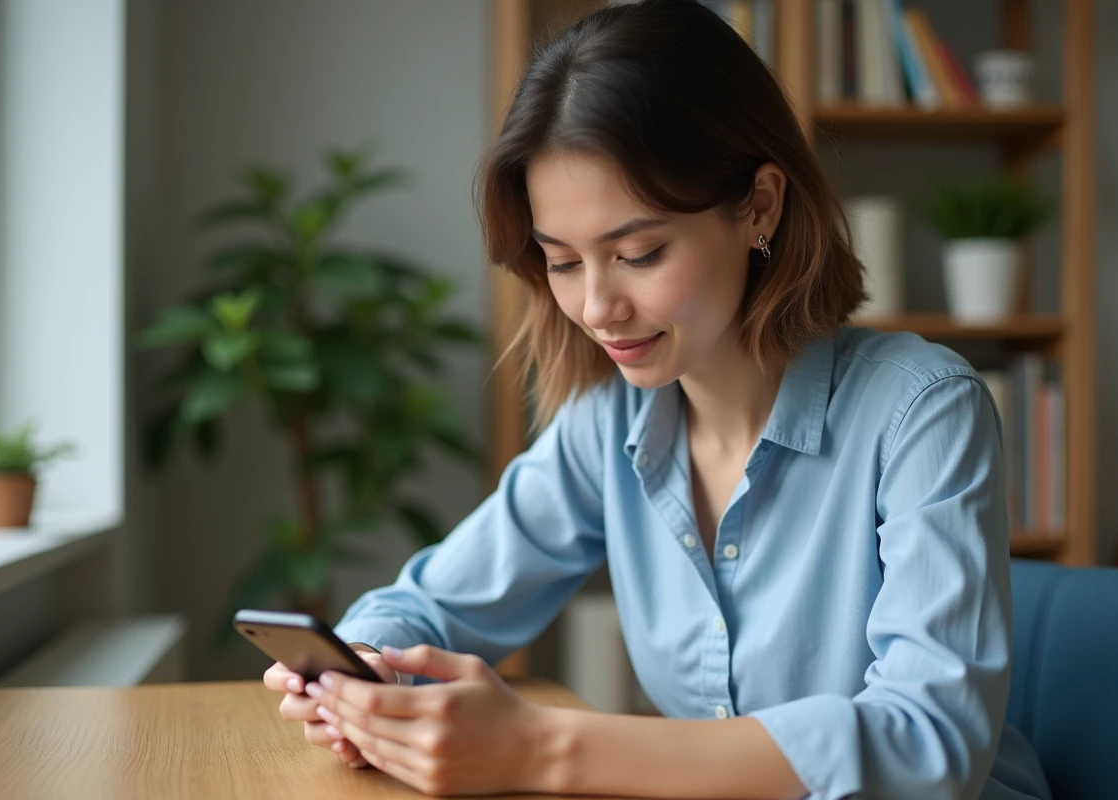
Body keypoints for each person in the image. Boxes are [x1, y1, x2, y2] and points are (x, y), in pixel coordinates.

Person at [263, 1, 1052, 797]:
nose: (598, 307)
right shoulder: (607, 426)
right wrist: (359, 673)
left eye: (639, 252)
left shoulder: (923, 413)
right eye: (562, 262)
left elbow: (927, 745)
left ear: (761, 208)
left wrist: (543, 747)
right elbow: (426, 606)